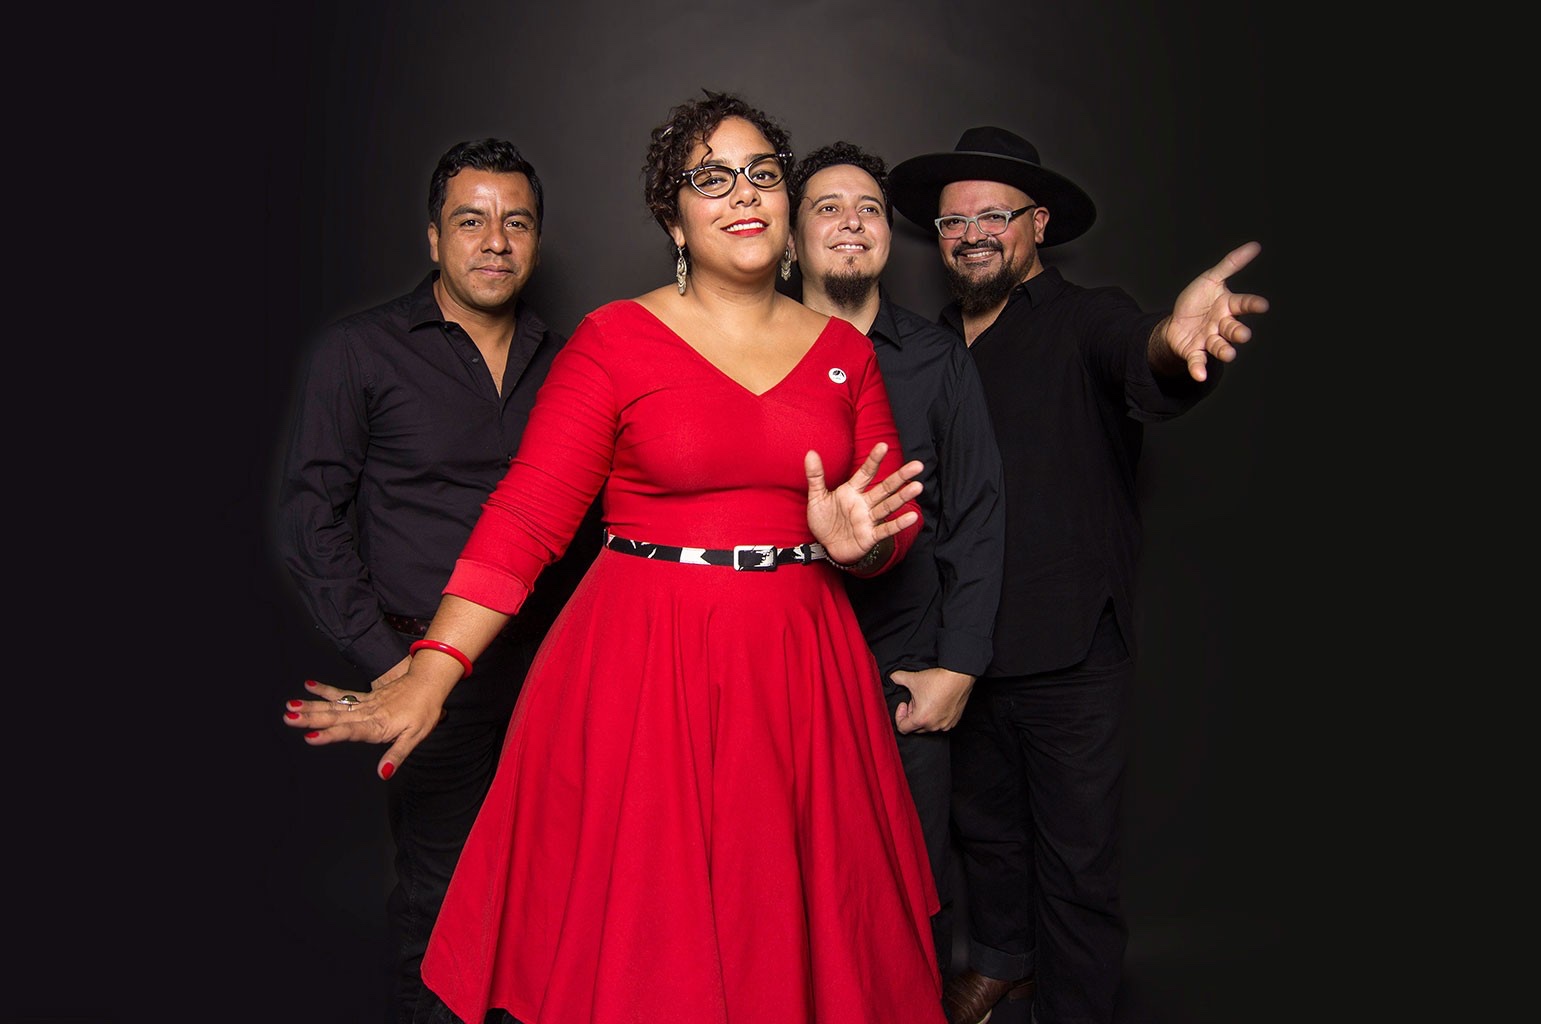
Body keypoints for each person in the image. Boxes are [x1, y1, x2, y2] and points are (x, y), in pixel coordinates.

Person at [282, 91, 948, 1024]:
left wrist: (864, 543)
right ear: (673, 217)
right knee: (657, 939)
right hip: (647, 666)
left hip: (800, 665)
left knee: (792, 924)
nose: (743, 192)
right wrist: (434, 667)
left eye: (762, 173)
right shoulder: (612, 340)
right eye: (711, 178)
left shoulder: (845, 352)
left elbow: (892, 520)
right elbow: (526, 515)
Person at [886, 126, 1270, 1024]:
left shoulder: (1086, 317)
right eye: (953, 222)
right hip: (962, 649)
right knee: (984, 834)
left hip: (1071, 651)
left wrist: (1174, 343)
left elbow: (1142, 355)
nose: (972, 235)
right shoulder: (932, 346)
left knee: (1076, 860)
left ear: (1039, 224)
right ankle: (1005, 966)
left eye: (995, 216)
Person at [274, 137, 600, 1024]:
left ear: (537, 241)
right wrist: (397, 665)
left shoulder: (575, 364)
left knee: (556, 892)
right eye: (471, 221)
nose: (495, 241)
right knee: (444, 896)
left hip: (550, 680)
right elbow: (311, 522)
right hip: (426, 672)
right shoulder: (361, 352)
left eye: (516, 223)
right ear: (433, 238)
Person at [786, 141, 1005, 978]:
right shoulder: (748, 351)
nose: (852, 223)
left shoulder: (937, 359)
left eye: (869, 209)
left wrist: (959, 667)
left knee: (910, 889)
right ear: (792, 239)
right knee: (788, 889)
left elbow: (977, 515)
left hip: (905, 673)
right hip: (784, 668)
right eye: (828, 208)